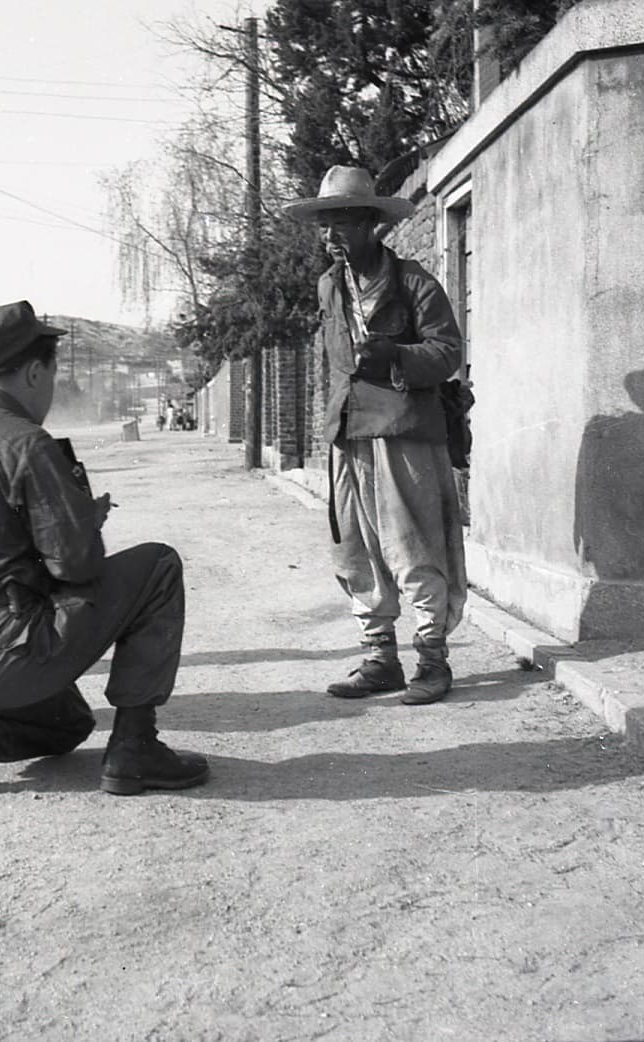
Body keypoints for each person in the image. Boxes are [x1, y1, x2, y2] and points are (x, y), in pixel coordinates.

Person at [0, 300, 209, 797]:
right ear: (33, 371)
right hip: (4, 655)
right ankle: (135, 747)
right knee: (158, 565)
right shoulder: (26, 442)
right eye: (51, 375)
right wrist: (83, 520)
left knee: (70, 726)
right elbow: (76, 565)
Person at [283, 166, 468, 705]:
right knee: (354, 551)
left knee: (413, 545)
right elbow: (334, 362)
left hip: (404, 432)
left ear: (371, 225)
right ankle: (380, 656)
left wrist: (397, 356)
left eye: (341, 223)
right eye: (324, 225)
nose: (330, 236)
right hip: (350, 433)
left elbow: (448, 352)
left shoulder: (413, 283)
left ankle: (432, 659)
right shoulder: (328, 287)